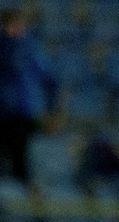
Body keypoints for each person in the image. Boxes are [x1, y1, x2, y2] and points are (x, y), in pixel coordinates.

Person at [0, 8, 58, 183]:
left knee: (21, 160)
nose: (16, 29)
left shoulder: (30, 49)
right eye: (10, 25)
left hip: (23, 114)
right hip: (4, 113)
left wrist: (52, 110)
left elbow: (50, 80)